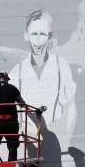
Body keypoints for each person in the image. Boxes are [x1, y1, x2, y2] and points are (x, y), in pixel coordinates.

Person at [12, 10, 77, 148]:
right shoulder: (17, 71)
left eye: (42, 34)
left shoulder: (61, 66)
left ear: (49, 36)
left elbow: (71, 106)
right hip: (27, 140)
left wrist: (66, 137)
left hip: (55, 139)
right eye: (34, 34)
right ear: (26, 35)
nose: (38, 39)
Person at [0, 71, 38, 162]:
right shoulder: (13, 88)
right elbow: (22, 103)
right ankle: (12, 165)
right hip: (11, 122)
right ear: (6, 79)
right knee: (12, 145)